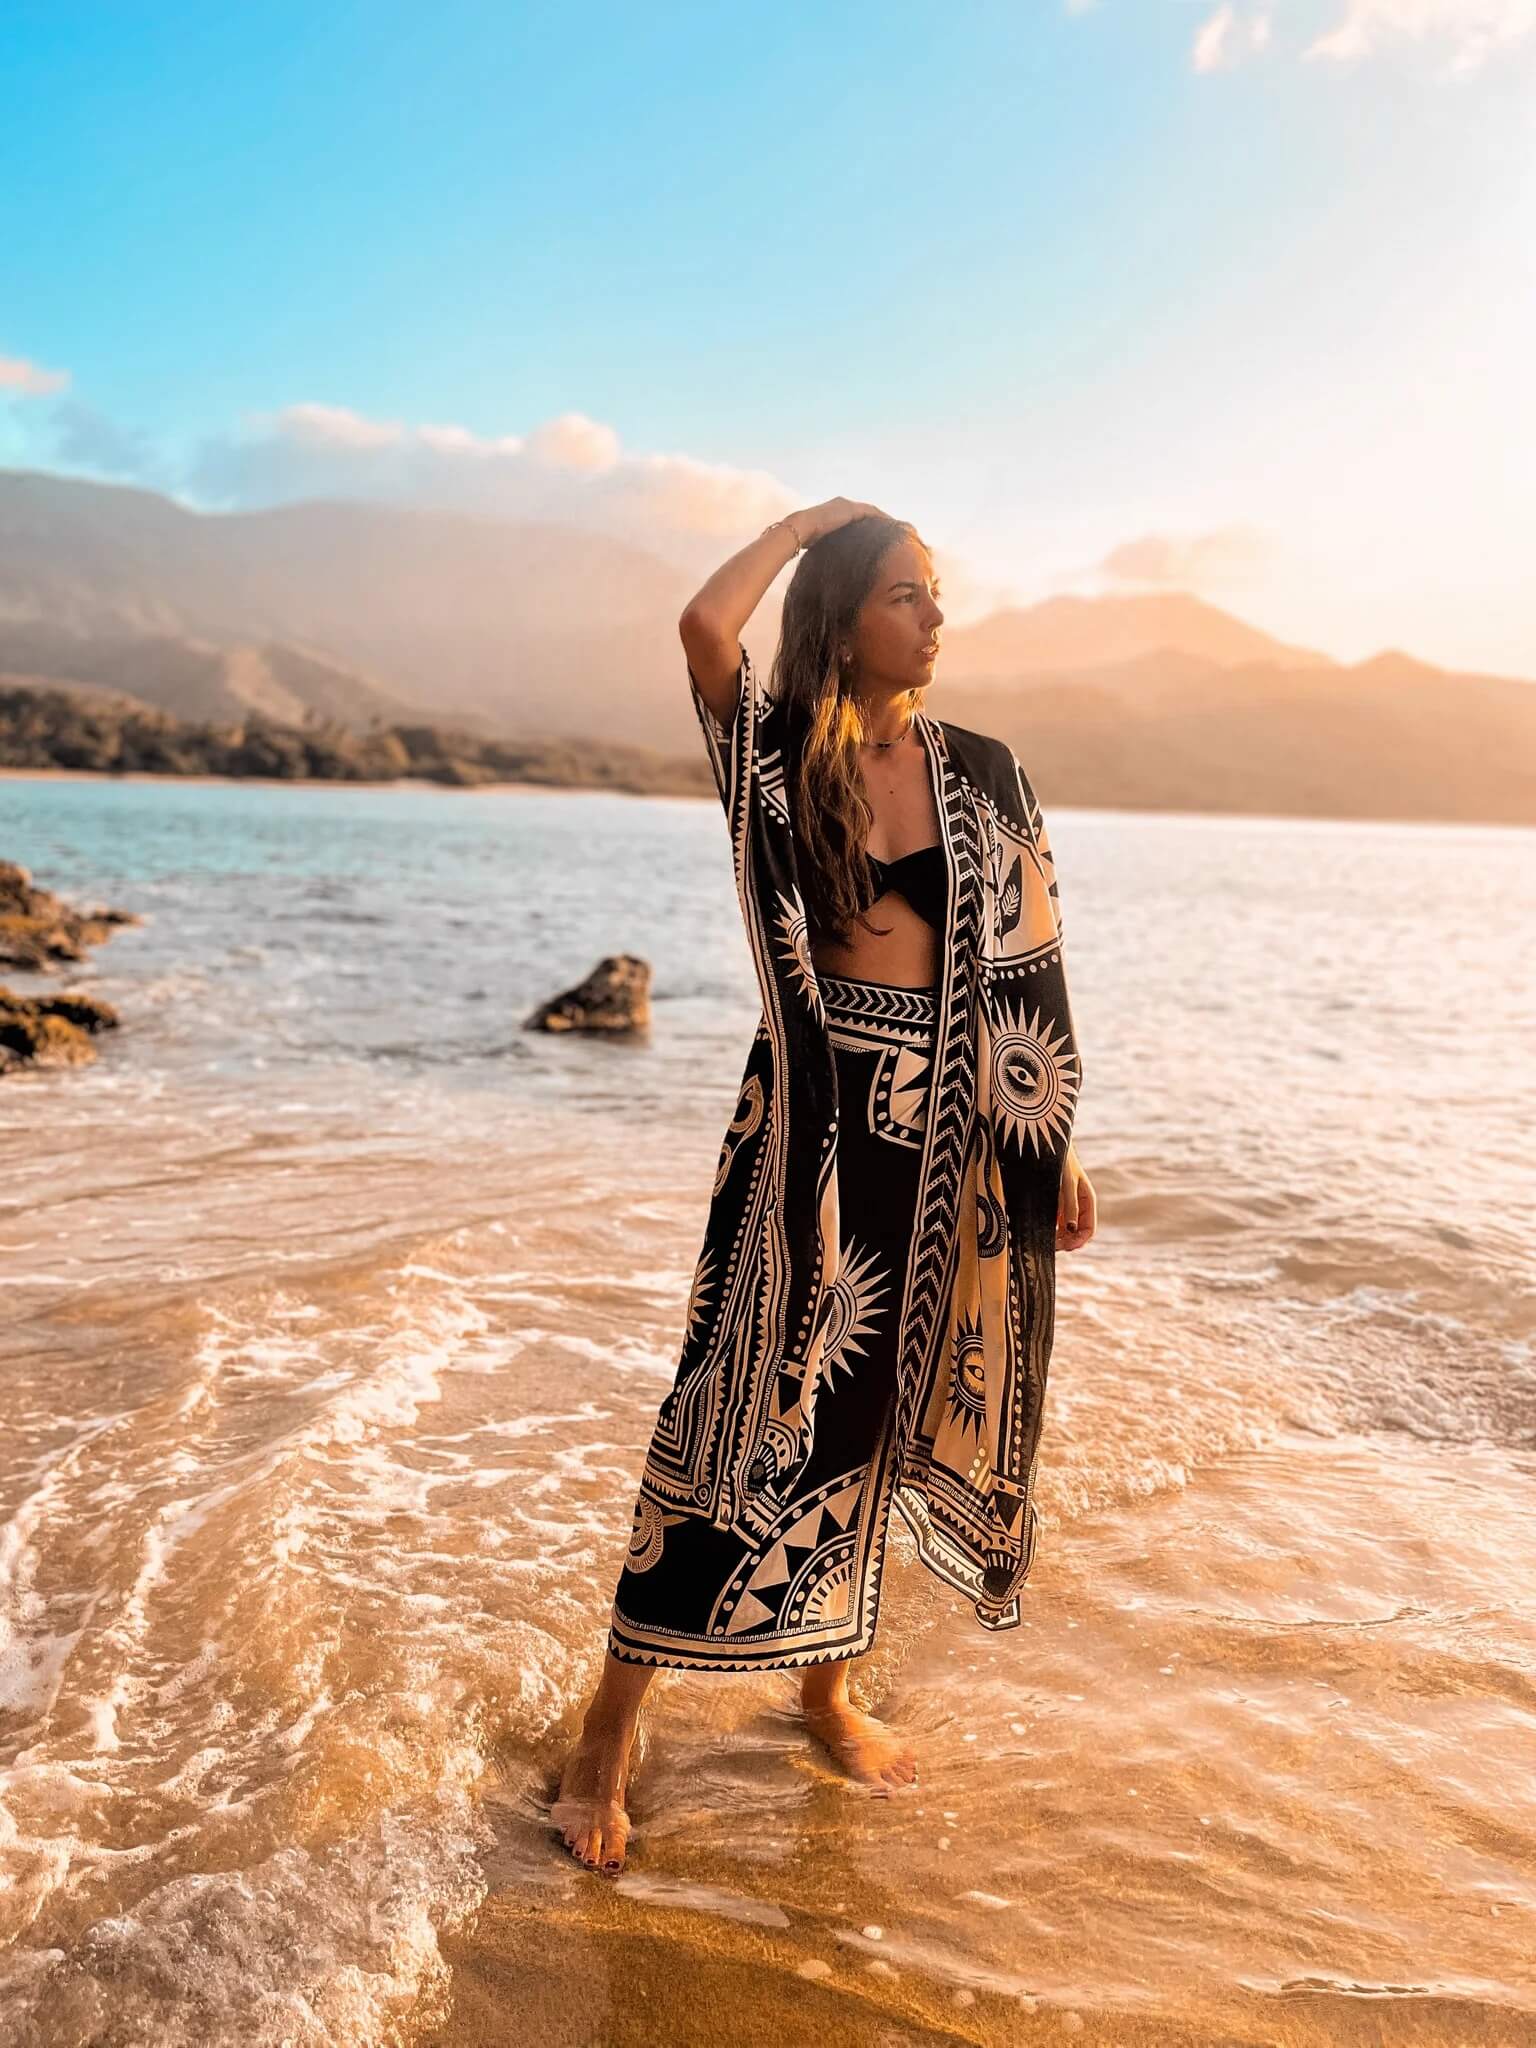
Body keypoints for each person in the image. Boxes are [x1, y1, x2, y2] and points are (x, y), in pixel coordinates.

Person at [552, 499, 1097, 1874]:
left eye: (935, 594)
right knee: (731, 1403)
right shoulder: (785, 756)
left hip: (949, 1136)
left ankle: (825, 1689)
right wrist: (804, 527)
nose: (934, 618)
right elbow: (702, 628)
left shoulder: (985, 768)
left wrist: (1054, 1140)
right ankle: (607, 1730)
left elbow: (1027, 966)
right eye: (907, 594)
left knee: (874, 1423)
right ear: (845, 616)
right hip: (812, 1127)